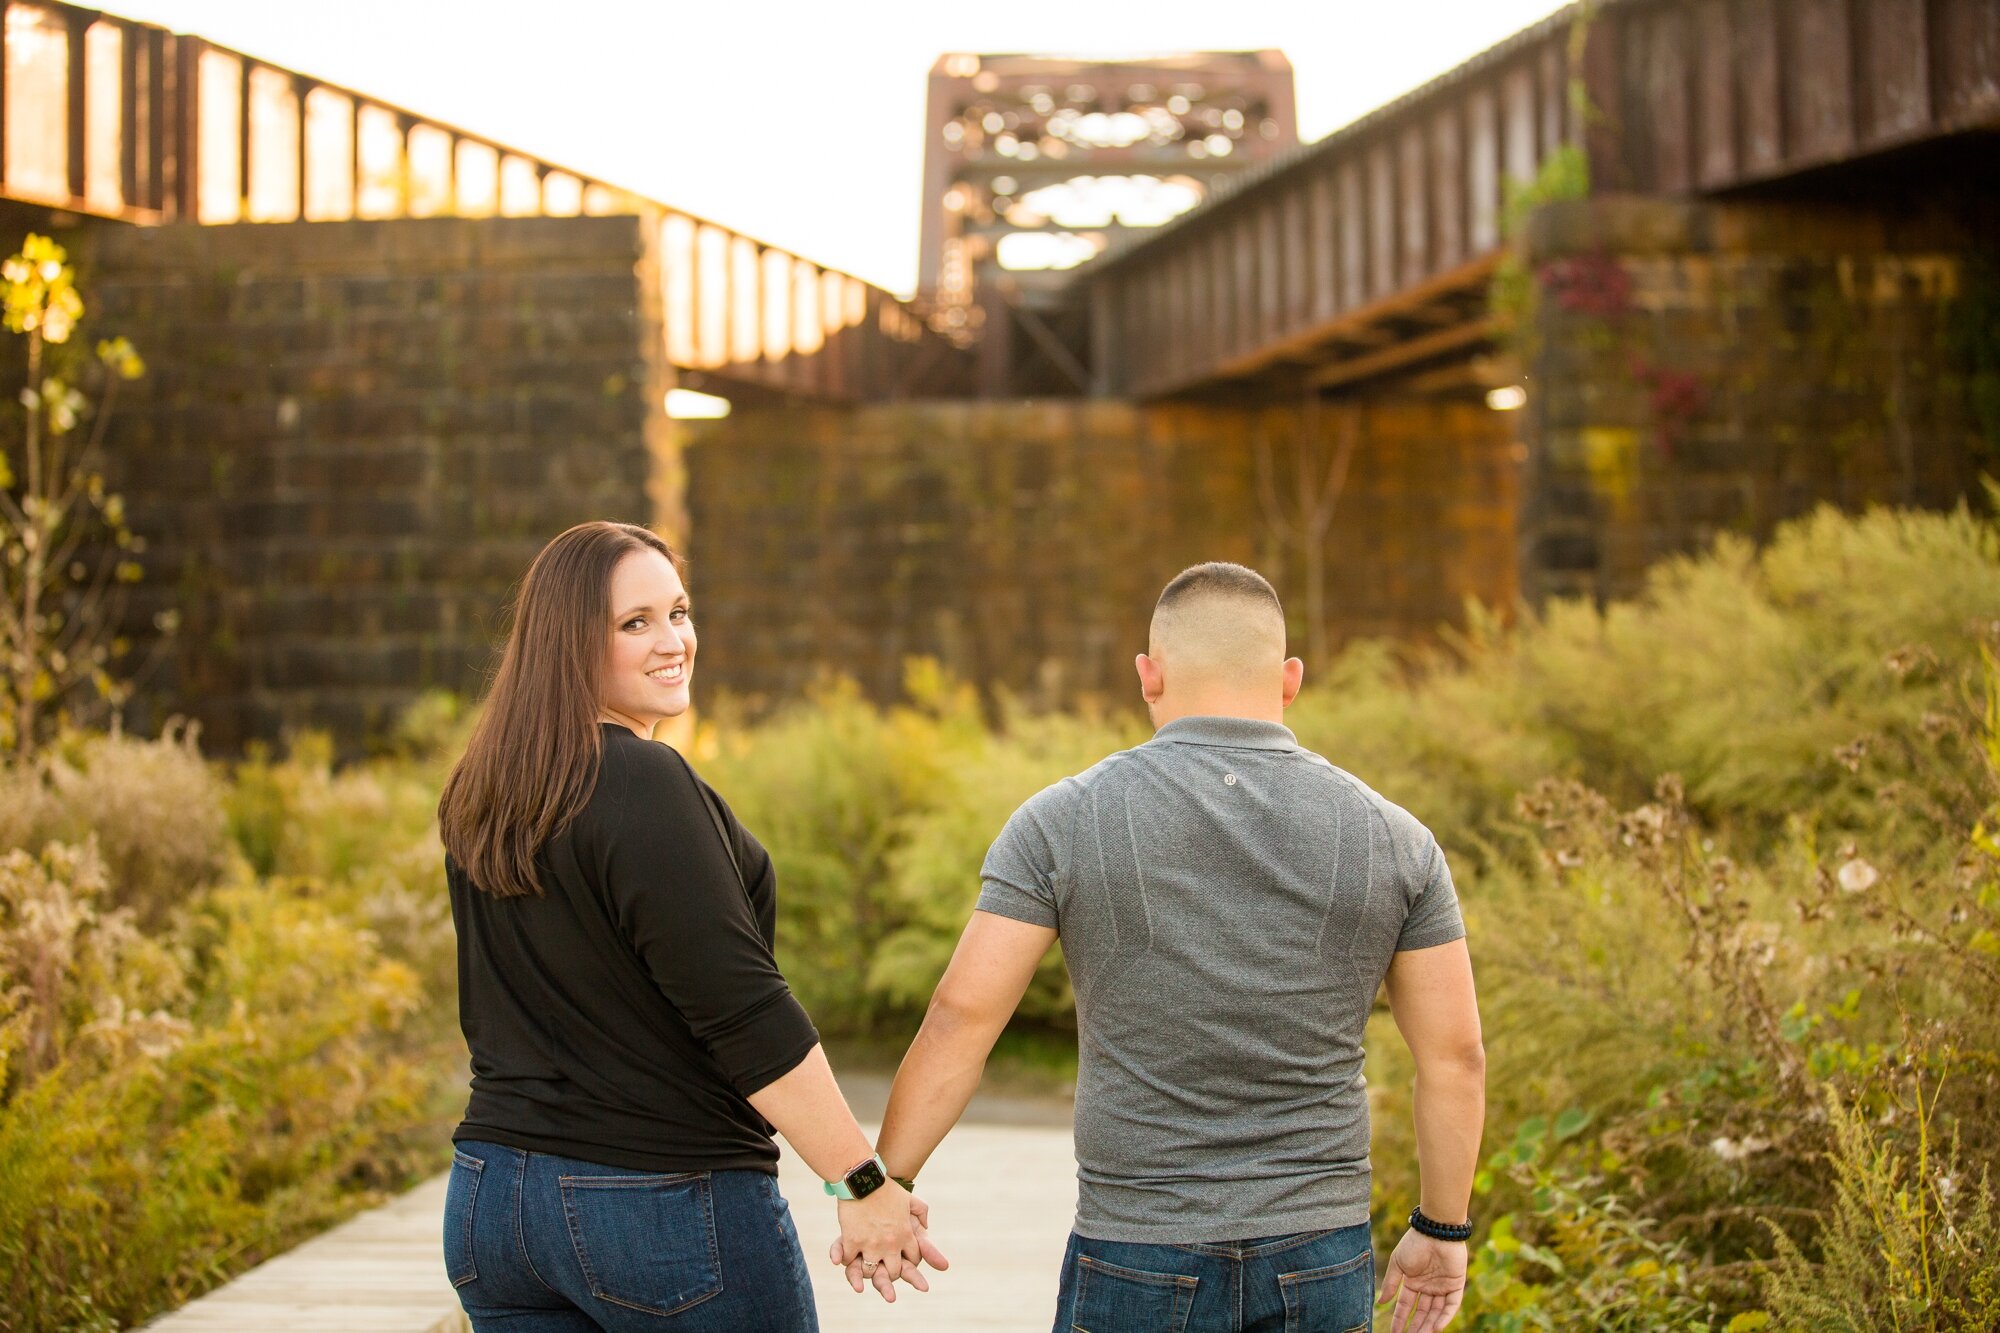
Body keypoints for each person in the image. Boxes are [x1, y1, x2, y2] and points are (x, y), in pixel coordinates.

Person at [850, 561, 1485, 1333]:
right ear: (1290, 680)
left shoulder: (1062, 821)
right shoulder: (1396, 838)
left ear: (1149, 676)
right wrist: (1443, 1227)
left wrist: (884, 1185)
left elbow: (961, 1018)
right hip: (1319, 1253)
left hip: (1135, 1250)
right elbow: (1455, 1057)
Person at [437, 520, 943, 1332]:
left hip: (495, 1202)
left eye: (678, 611)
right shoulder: (641, 778)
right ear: (569, 644)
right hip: (655, 1204)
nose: (674, 639)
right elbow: (743, 1012)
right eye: (635, 623)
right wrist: (861, 1182)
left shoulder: (484, 787)